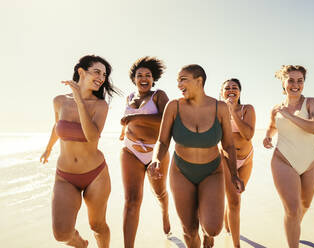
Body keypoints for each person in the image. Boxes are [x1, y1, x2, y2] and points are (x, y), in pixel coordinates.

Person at [148, 64, 245, 248]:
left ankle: (208, 236)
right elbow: (162, 141)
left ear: (199, 81)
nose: (178, 85)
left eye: (183, 80)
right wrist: (156, 159)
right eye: (178, 81)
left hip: (212, 172)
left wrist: (233, 174)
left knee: (213, 229)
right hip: (181, 171)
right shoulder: (174, 106)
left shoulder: (220, 108)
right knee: (189, 230)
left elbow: (229, 145)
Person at [40, 55, 119, 248]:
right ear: (81, 72)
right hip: (65, 176)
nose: (102, 78)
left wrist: (79, 100)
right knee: (61, 233)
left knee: (97, 225)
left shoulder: (101, 105)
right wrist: (48, 149)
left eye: (104, 75)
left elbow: (92, 137)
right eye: (97, 72)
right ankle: (81, 244)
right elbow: (56, 126)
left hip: (95, 175)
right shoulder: (59, 101)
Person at [263, 65, 314, 248]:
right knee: (292, 210)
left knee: (304, 206)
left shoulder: (312, 103)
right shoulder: (276, 109)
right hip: (283, 161)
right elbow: (273, 126)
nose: (295, 85)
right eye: (291, 80)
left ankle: (293, 227)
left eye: (300, 80)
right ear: (283, 82)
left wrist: (288, 115)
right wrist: (267, 136)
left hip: (311, 162)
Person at [119, 56, 170, 248]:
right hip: (130, 150)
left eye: (147, 75)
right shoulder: (129, 98)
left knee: (160, 192)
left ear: (153, 78)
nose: (143, 78)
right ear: (134, 79)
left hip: (155, 152)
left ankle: (165, 212)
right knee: (132, 201)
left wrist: (135, 118)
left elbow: (166, 119)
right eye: (139, 75)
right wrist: (124, 130)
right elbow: (127, 121)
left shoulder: (159, 95)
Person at [220, 78, 256, 248]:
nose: (231, 90)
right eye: (227, 88)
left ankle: (229, 228)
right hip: (227, 160)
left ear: (240, 92)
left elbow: (248, 135)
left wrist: (232, 111)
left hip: (247, 159)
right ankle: (236, 245)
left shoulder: (247, 109)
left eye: (235, 87)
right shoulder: (217, 111)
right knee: (234, 201)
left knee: (235, 197)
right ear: (222, 93)